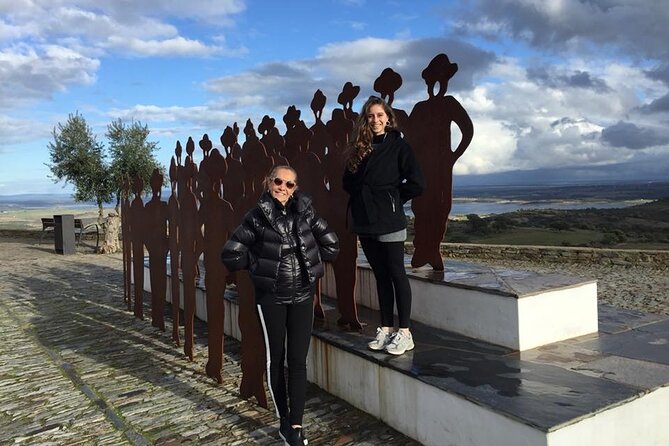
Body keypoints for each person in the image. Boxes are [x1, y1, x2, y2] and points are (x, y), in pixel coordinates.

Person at [222, 165, 339, 446]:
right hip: (271, 297)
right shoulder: (257, 216)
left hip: (302, 295)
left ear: (295, 188)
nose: (283, 188)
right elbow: (230, 253)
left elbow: (332, 246)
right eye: (278, 181)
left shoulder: (306, 212)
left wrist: (310, 267)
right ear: (268, 182)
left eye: (289, 184)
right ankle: (284, 421)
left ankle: (296, 426)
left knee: (298, 361)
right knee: (277, 359)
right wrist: (259, 267)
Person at [343, 96, 425, 355]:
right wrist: (361, 195)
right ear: (365, 120)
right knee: (380, 275)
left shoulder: (399, 147)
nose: (376, 120)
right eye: (370, 116)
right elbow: (347, 181)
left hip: (389, 219)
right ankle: (387, 328)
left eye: (380, 115)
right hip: (365, 220)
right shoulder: (360, 147)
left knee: (396, 273)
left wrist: (393, 198)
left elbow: (416, 182)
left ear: (388, 117)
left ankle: (405, 332)